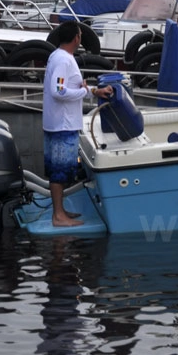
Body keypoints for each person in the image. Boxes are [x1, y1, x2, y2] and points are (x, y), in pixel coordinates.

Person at [42, 21, 113, 227]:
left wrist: (92, 90)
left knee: (60, 170)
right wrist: (83, 91)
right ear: (76, 38)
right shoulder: (64, 60)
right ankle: (58, 216)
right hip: (62, 125)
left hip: (58, 122)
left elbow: (66, 86)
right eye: (80, 34)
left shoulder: (57, 56)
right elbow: (59, 91)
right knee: (60, 170)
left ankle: (61, 210)